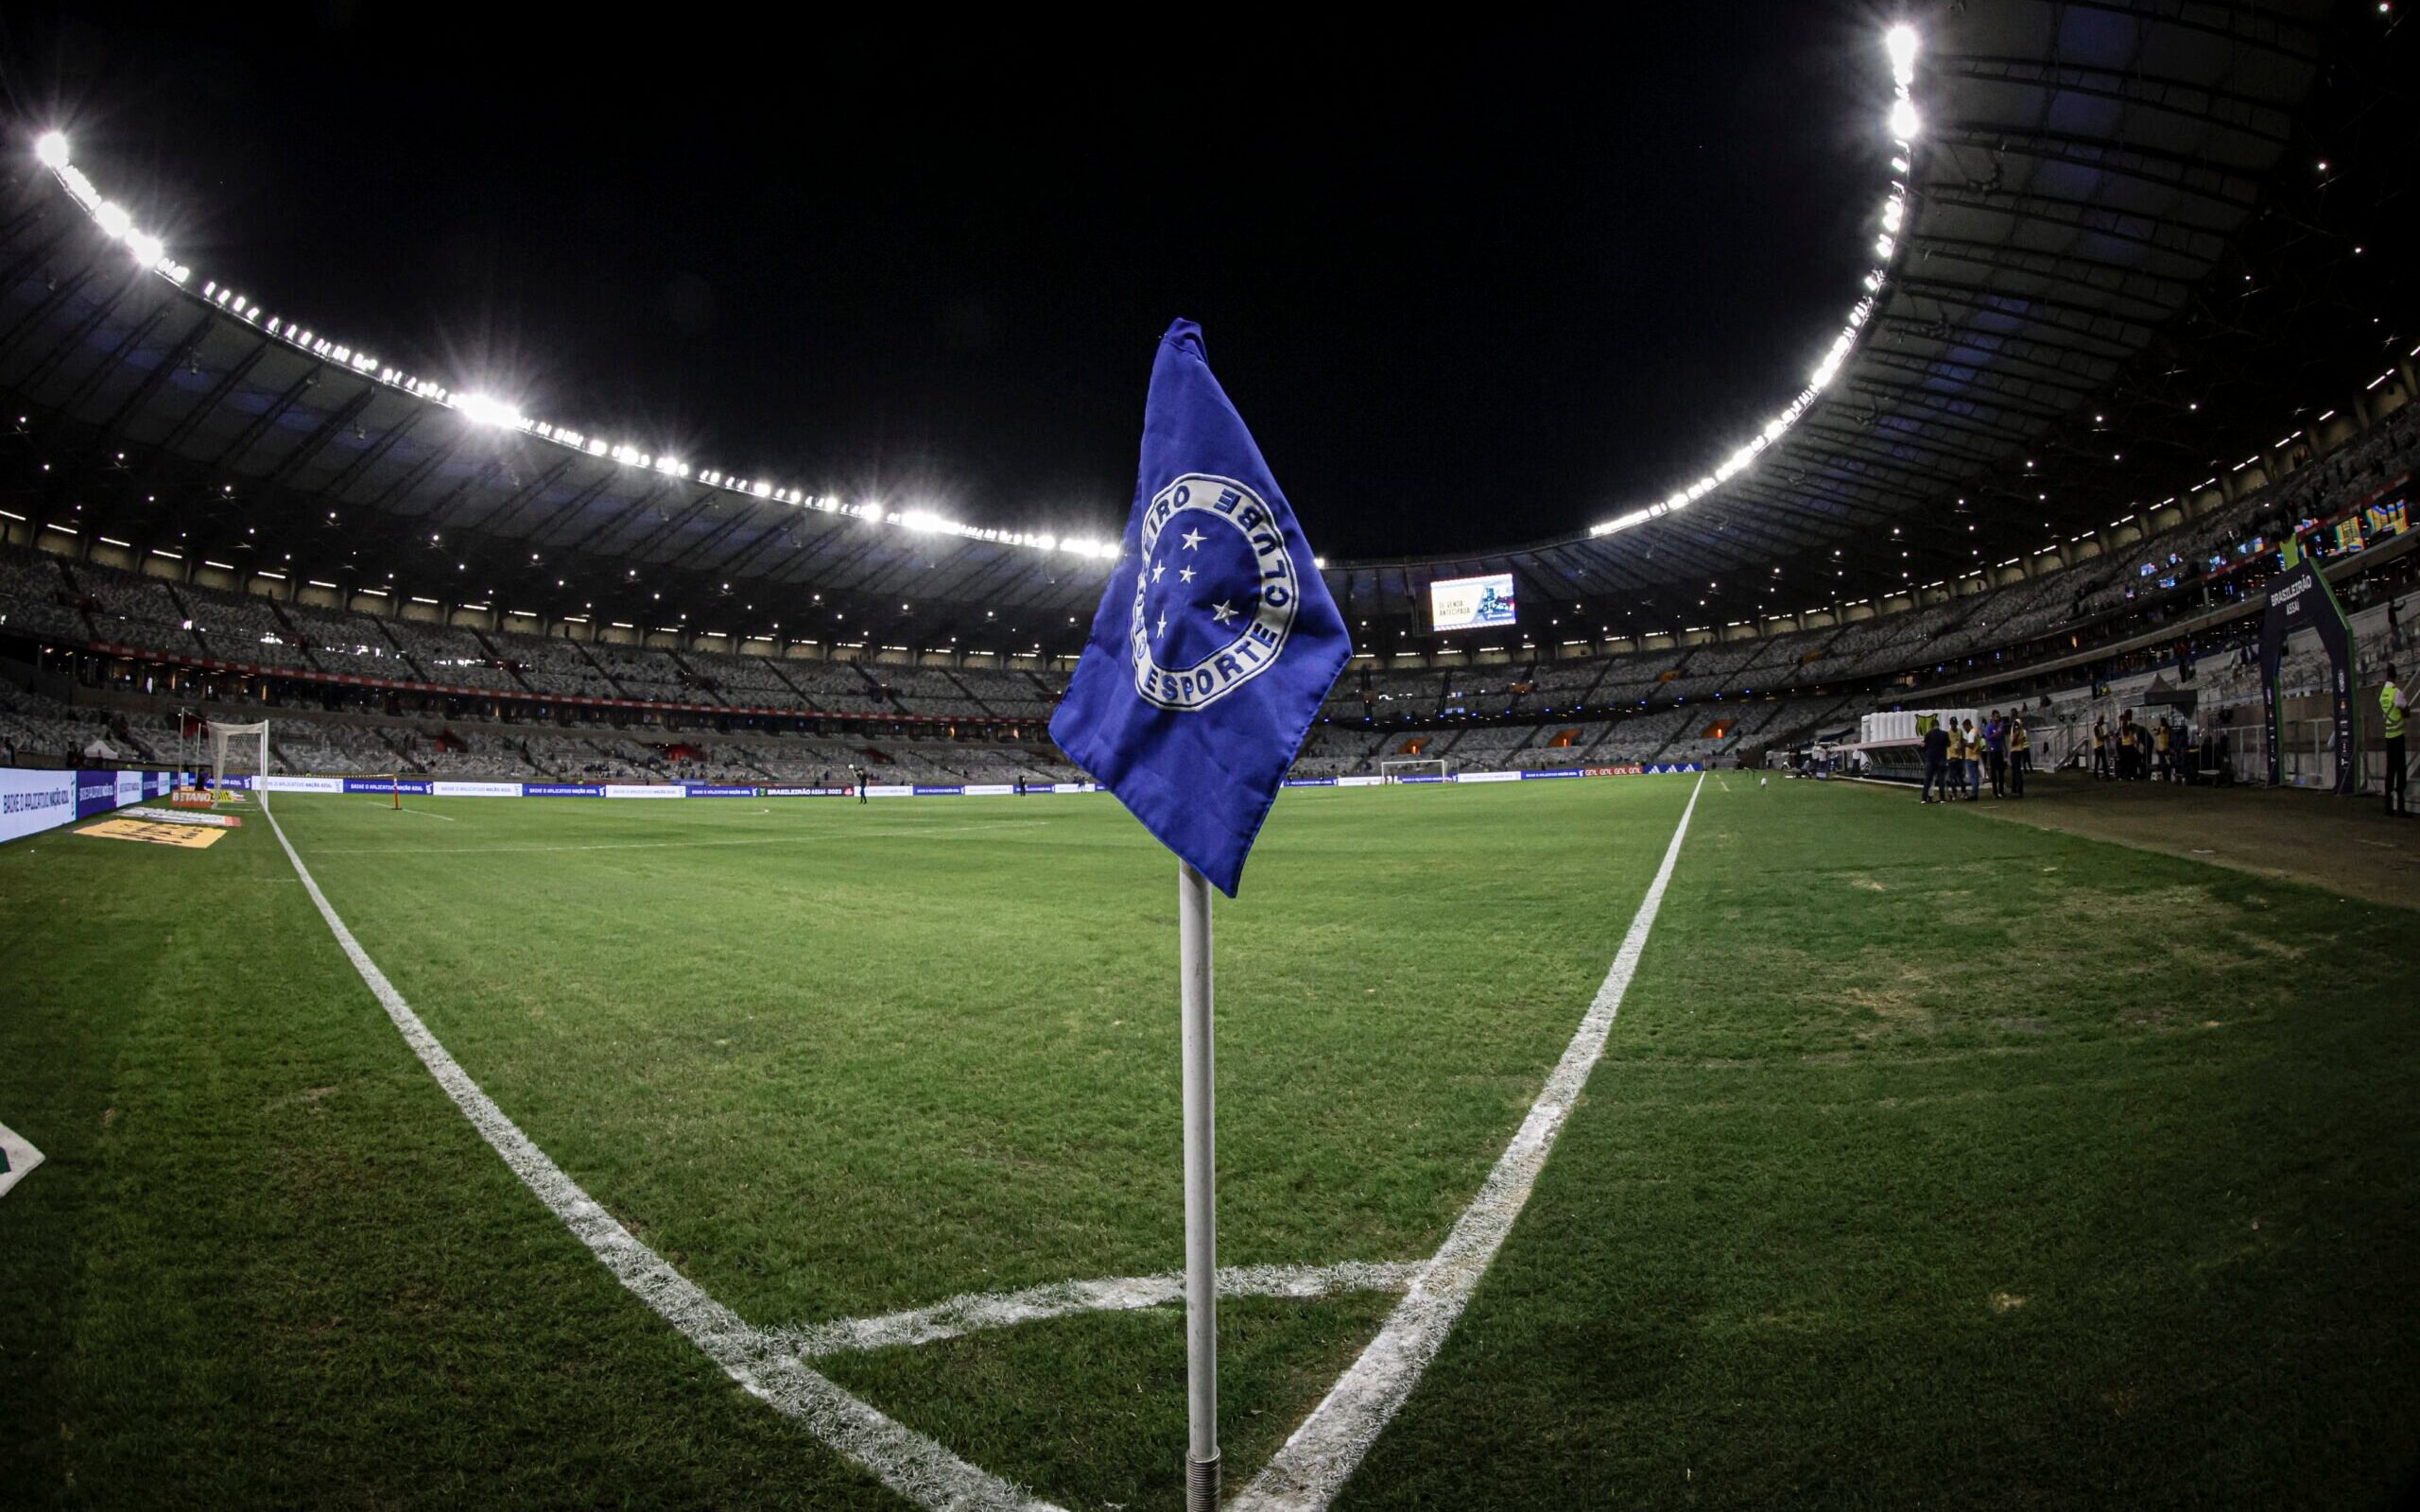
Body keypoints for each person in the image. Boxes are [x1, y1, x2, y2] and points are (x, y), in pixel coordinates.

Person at [2384, 662, 2409, 818]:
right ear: (2396, 676)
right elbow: (2406, 710)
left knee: (2390, 771)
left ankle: (2388, 806)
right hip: (2398, 735)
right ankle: (2401, 806)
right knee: (2401, 771)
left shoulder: (2383, 694)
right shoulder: (2396, 692)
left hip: (2388, 735)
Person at [1920, 713, 1950, 804]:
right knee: (1941, 780)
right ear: (1938, 725)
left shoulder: (1928, 734)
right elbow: (1948, 744)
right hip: (1941, 759)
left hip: (1931, 759)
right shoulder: (1944, 734)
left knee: (1928, 780)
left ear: (1931, 726)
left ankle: (1924, 799)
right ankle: (1942, 798)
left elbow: (1924, 746)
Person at [1984, 710, 2008, 798]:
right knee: (1993, 772)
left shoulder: (2001, 727)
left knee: (2001, 772)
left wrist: (2005, 748)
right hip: (1993, 751)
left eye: (1999, 717)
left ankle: (2001, 790)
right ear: (1993, 717)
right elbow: (1988, 738)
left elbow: (2003, 738)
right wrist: (1996, 733)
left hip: (1999, 750)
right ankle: (1995, 791)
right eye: (1996, 717)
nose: (1998, 718)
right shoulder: (1989, 727)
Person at [2008, 714, 2030, 798]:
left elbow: (2016, 733)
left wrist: (2014, 742)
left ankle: (2019, 790)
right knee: (2015, 770)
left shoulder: (2016, 723)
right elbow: (2023, 738)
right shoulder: (2021, 725)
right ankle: (2014, 789)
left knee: (2016, 771)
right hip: (2019, 749)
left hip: (2016, 749)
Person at [2093, 715, 2113, 780]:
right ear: (2099, 720)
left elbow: (2101, 736)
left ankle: (2104, 775)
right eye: (2102, 720)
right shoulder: (2096, 727)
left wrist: (2106, 736)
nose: (2103, 722)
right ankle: (2099, 775)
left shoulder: (2100, 727)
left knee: (2101, 761)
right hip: (2098, 746)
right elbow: (2099, 738)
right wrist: (2106, 736)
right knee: (2099, 761)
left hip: (2100, 745)